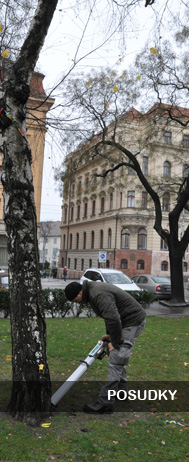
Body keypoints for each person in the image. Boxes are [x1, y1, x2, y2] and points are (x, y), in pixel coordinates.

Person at [64, 279, 146, 414]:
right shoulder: (92, 291)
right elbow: (109, 316)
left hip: (132, 321)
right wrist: (110, 336)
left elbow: (113, 318)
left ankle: (104, 404)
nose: (76, 303)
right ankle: (121, 392)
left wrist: (115, 342)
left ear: (79, 292)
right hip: (125, 321)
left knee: (116, 359)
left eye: (75, 300)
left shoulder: (97, 293)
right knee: (115, 356)